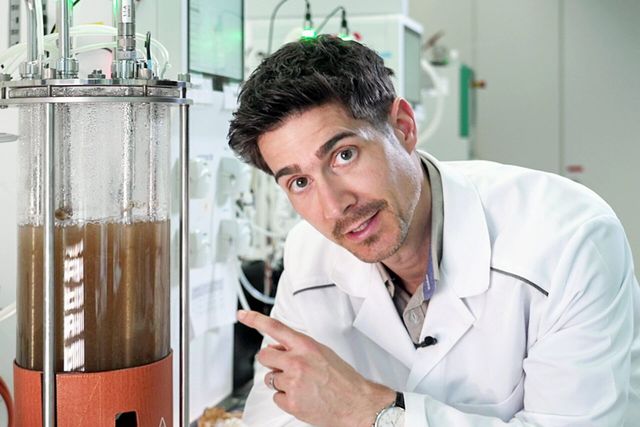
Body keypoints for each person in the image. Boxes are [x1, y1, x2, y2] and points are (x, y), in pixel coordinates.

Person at [227, 35, 640, 427]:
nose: (334, 206)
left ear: (403, 127)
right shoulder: (309, 255)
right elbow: (277, 416)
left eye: (344, 155)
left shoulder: (569, 242)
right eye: (299, 182)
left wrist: (369, 412)